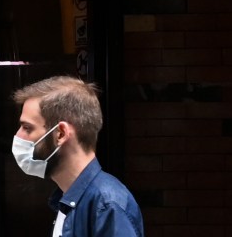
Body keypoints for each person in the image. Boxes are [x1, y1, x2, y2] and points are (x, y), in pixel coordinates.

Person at [12, 76, 144, 237]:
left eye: (27, 128)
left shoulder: (107, 206)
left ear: (60, 134)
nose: (18, 136)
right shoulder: (68, 197)